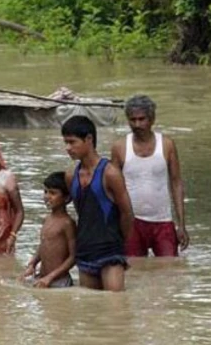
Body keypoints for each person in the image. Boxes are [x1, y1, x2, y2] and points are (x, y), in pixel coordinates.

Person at [110, 95, 188, 257]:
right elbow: (112, 188)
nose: (137, 124)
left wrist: (181, 225)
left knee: (170, 270)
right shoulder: (119, 147)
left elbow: (176, 183)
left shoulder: (167, 145)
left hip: (163, 220)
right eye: (132, 120)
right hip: (131, 222)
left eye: (142, 119)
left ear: (152, 119)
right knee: (134, 271)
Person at [62, 115, 133, 291]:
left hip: (110, 252)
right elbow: (83, 212)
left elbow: (127, 214)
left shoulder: (110, 173)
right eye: (66, 143)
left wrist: (120, 243)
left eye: (72, 142)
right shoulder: (71, 176)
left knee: (115, 308)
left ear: (89, 139)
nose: (68, 148)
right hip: (85, 250)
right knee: (91, 311)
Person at [20, 172, 76, 288]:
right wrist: (32, 264)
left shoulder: (67, 223)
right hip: (43, 278)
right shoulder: (47, 219)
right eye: (45, 191)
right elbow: (43, 245)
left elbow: (74, 257)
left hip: (59, 281)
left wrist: (51, 277)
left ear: (67, 198)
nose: (47, 196)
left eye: (53, 193)